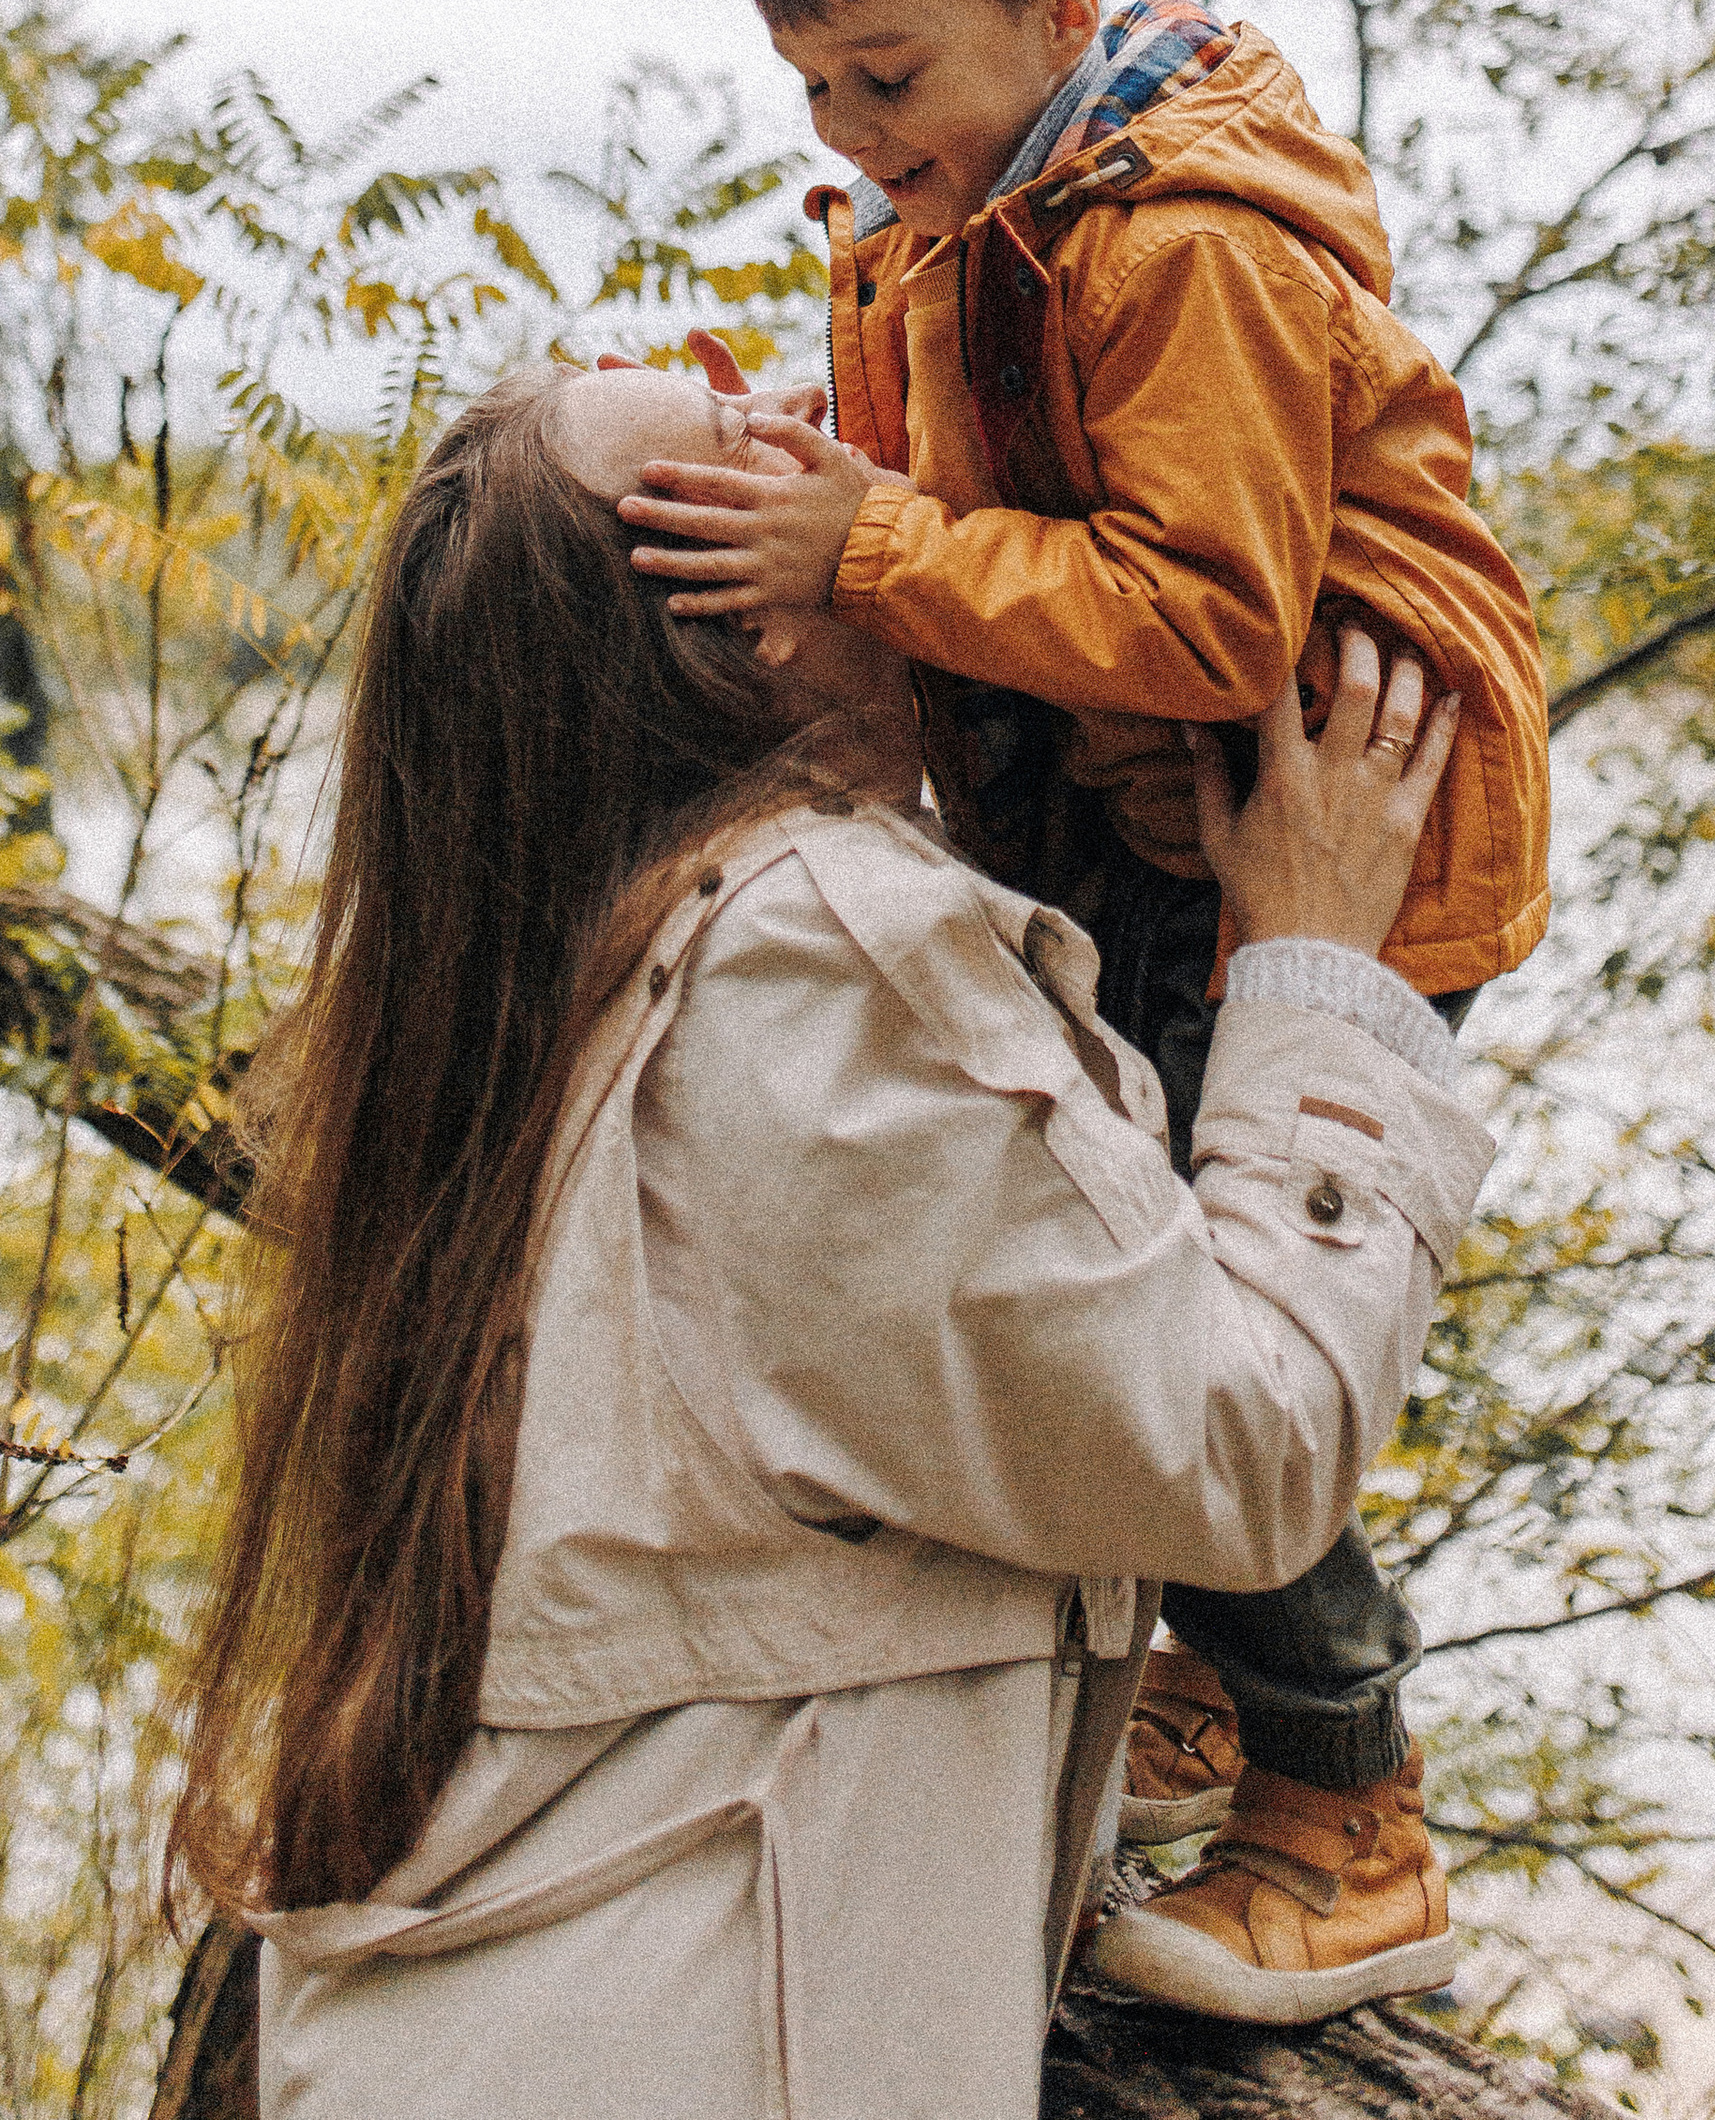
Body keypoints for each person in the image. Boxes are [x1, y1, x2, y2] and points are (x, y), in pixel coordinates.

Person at [168, 364, 1494, 2112]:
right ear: (742, 631)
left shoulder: (580, 985)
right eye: (742, 450)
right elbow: (1235, 1443)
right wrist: (1317, 965)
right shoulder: (807, 976)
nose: (823, 430)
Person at [613, 0, 1551, 2015]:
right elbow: (980, 524)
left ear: (1058, 14)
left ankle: (1347, 1812)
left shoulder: (1177, 245)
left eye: (880, 72)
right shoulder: (976, 212)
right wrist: (812, 481)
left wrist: (878, 539)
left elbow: (1211, 611)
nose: (842, 133)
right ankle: (1210, 1691)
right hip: (1177, 821)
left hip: (1323, 831)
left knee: (1180, 1312)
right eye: (808, 84)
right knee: (1093, 1235)